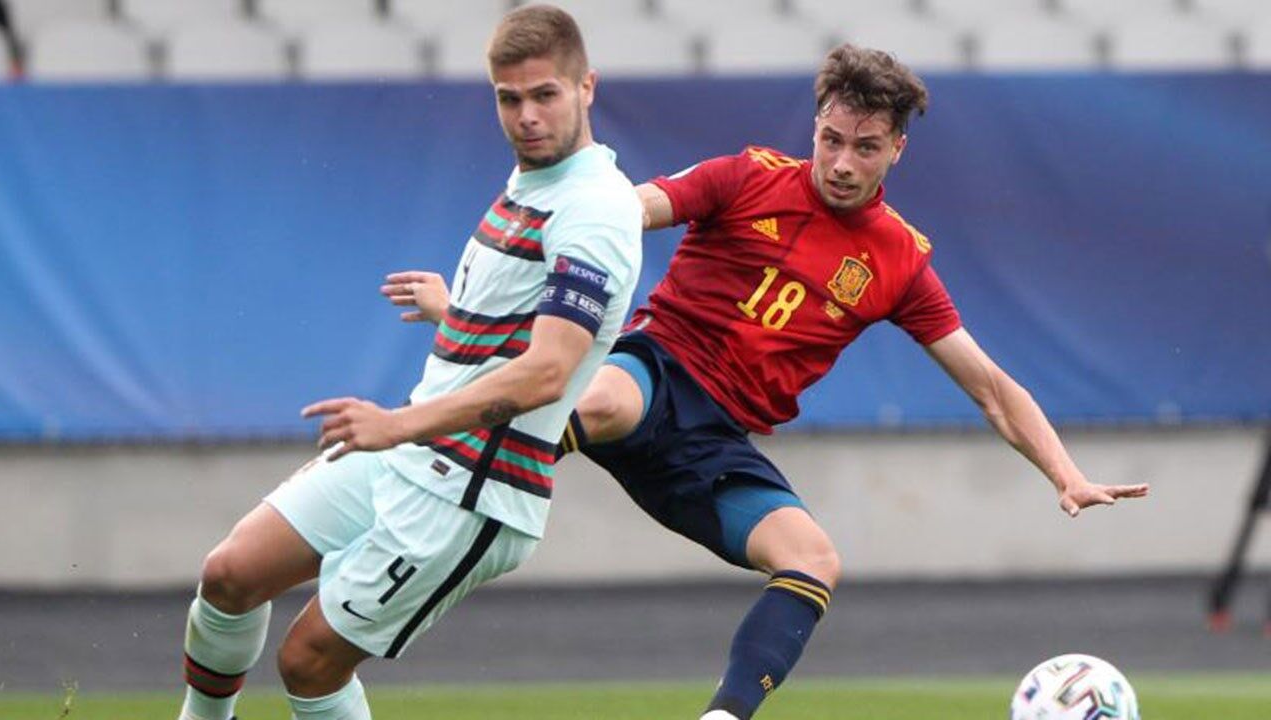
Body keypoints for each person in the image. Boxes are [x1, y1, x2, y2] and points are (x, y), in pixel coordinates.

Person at [391, 43, 1150, 720]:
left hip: (714, 443)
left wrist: (1066, 473)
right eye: (831, 139)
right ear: (814, 127)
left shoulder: (900, 262)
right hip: (655, 371)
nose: (843, 162)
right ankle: (400, 494)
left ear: (897, 152)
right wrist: (466, 308)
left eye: (866, 147)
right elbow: (611, 217)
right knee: (596, 398)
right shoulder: (745, 176)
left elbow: (989, 386)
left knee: (814, 558)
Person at [176, 6, 641, 720]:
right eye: (508, 98)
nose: (526, 116)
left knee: (309, 665)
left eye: (545, 94)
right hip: (414, 451)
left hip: (471, 491)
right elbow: (524, 330)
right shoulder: (533, 185)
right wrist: (456, 314)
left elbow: (549, 372)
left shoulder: (594, 209)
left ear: (587, 88)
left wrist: (397, 425)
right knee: (230, 574)